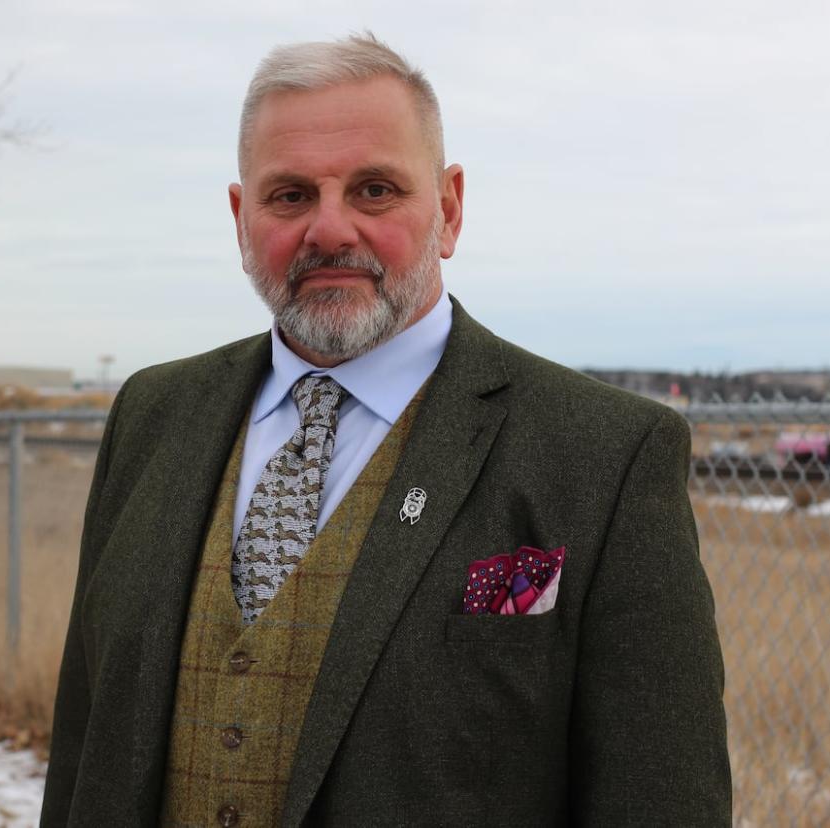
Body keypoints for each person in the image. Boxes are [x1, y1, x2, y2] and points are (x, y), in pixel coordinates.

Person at [41, 33, 730, 827]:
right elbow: (85, 741)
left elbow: (662, 802)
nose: (330, 230)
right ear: (241, 218)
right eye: (291, 196)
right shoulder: (153, 415)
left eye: (374, 190)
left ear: (450, 208)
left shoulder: (605, 454)